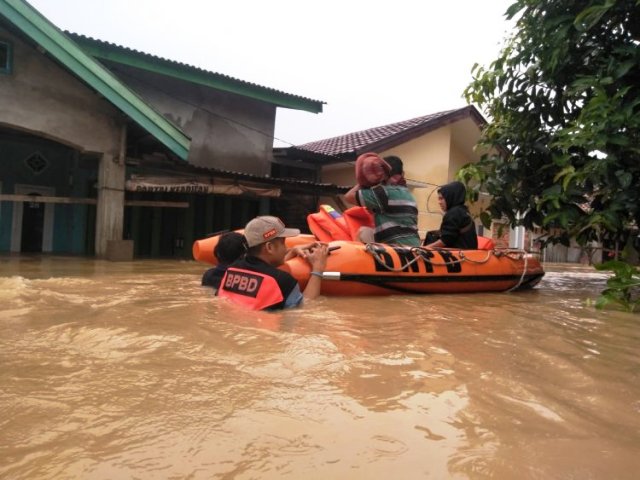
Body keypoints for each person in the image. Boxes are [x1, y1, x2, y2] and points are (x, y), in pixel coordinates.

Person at [217, 216, 329, 310]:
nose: (286, 248)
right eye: (283, 243)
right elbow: (305, 308)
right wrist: (318, 269)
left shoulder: (232, 269)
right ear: (269, 247)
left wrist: (293, 251)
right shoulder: (284, 281)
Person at [344, 154, 420, 246]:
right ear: (402, 173)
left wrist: (364, 181)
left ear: (382, 173)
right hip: (415, 246)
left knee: (363, 231)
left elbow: (349, 197)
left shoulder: (383, 193)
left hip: (395, 249)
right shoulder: (409, 195)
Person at [424, 181, 478, 249]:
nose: (439, 202)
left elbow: (446, 240)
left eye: (441, 198)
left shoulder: (454, 213)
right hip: (470, 255)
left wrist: (425, 249)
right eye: (439, 199)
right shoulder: (463, 211)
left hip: (459, 256)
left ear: (450, 197)